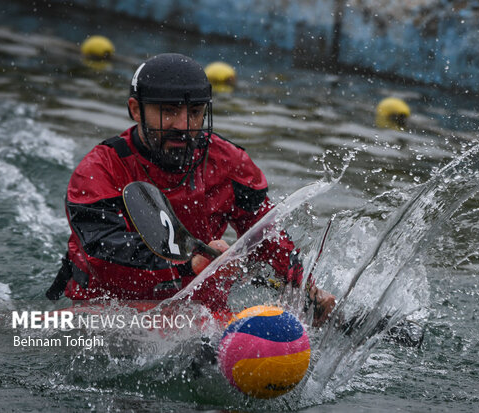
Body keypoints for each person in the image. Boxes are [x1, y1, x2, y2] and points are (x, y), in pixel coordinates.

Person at [46, 53, 335, 325]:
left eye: (195, 112)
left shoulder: (229, 163)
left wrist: (306, 288)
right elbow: (102, 251)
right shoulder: (100, 169)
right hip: (111, 312)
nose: (184, 126)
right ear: (136, 110)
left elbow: (267, 235)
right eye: (169, 111)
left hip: (199, 317)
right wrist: (189, 262)